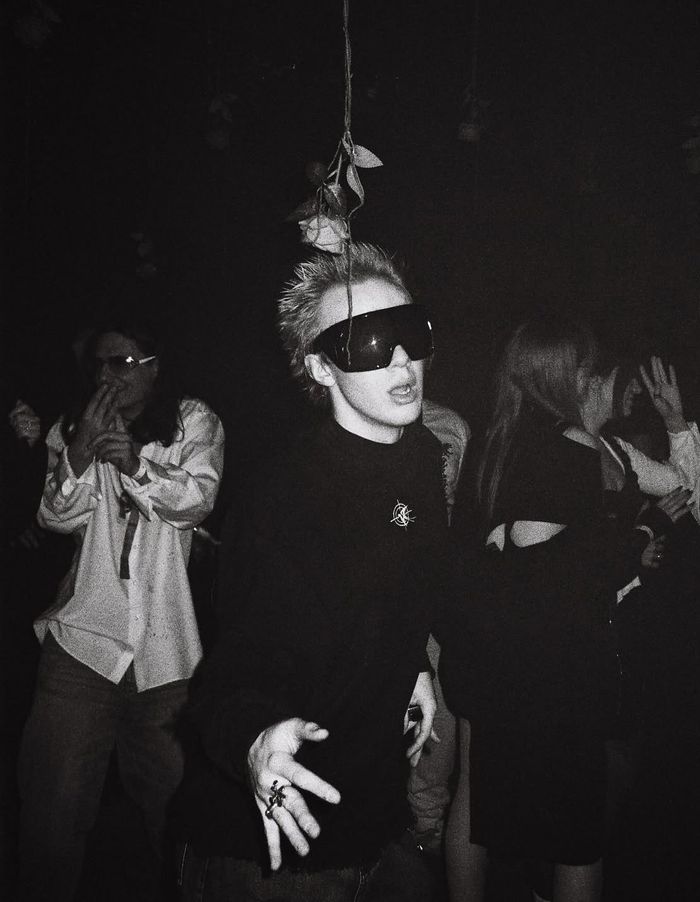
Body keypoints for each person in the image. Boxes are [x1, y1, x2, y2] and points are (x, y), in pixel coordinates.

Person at [172, 242, 450, 901]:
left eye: (409, 333)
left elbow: (394, 585)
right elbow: (239, 665)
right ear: (321, 368)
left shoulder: (420, 456)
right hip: (272, 850)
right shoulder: (283, 500)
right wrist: (254, 740)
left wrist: (413, 664)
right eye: (367, 342)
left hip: (374, 821)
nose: (400, 359)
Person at [439, 316, 691, 902]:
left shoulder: (499, 442)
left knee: (476, 800)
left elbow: (522, 558)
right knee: (577, 829)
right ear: (561, 374)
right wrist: (638, 535)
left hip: (484, 649)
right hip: (549, 663)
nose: (594, 378)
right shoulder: (569, 444)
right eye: (585, 367)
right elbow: (558, 580)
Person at [16, 310, 225, 902]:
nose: (111, 374)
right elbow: (55, 515)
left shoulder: (193, 421)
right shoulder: (72, 428)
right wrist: (80, 450)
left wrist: (134, 462)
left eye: (126, 360)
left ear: (156, 367)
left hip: (166, 656)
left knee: (176, 819)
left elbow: (196, 500)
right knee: (52, 814)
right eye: (103, 363)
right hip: (82, 646)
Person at [407, 399, 469, 855]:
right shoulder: (350, 415)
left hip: (435, 592)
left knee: (438, 714)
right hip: (373, 588)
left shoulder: (451, 425)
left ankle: (425, 829)